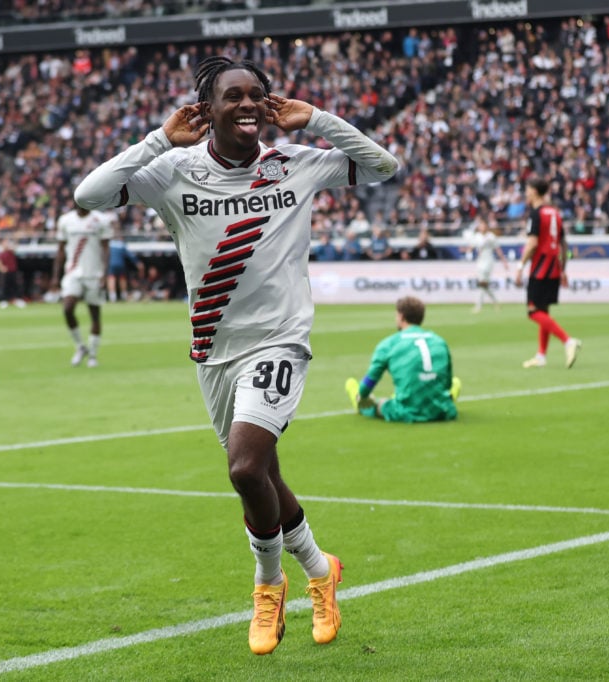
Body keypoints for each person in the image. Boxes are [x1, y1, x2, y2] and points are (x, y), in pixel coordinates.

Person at [74, 55, 399, 655]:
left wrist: (319, 119)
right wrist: (156, 140)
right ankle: (322, 571)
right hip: (213, 352)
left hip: (279, 341)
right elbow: (88, 196)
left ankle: (267, 587)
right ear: (208, 109)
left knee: (246, 468)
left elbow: (383, 165)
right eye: (233, 96)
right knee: (265, 475)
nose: (247, 105)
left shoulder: (295, 166)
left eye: (257, 95)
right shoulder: (174, 172)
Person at [344, 296, 460, 422]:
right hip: (443, 411)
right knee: (455, 382)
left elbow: (370, 381)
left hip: (407, 412)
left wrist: (363, 396)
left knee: (378, 403)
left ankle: (358, 401)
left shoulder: (388, 344)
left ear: (401, 316)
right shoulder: (439, 341)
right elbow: (447, 384)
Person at [514, 177, 582, 369]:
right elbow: (563, 244)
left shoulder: (536, 214)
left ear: (535, 191)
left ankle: (568, 341)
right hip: (554, 267)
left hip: (540, 267)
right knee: (543, 310)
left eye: (527, 190)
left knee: (533, 311)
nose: (526, 194)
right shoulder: (555, 213)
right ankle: (541, 356)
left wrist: (520, 266)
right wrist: (564, 269)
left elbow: (533, 243)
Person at [53, 206, 113, 367]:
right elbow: (60, 250)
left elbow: (106, 248)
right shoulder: (65, 220)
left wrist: (105, 274)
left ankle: (93, 354)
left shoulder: (101, 220)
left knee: (94, 314)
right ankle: (80, 346)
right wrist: (55, 276)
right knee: (67, 308)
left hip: (94, 273)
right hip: (72, 272)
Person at [464, 216, 509, 313]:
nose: (482, 227)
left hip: (489, 261)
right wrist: (465, 249)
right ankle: (496, 302)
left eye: (483, 225)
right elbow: (472, 247)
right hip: (480, 261)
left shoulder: (491, 237)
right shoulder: (477, 236)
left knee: (482, 282)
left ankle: (478, 306)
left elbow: (498, 250)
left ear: (487, 226)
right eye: (480, 226)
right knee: (484, 284)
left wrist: (504, 262)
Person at [106, 224, 137, 302]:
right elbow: (130, 255)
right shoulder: (122, 244)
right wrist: (137, 262)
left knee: (111, 278)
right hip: (120, 264)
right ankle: (123, 295)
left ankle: (112, 297)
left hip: (112, 263)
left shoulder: (109, 244)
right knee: (122, 278)